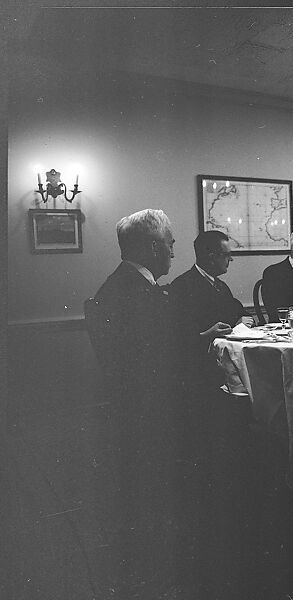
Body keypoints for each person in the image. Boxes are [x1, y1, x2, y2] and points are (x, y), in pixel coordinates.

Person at [86, 209, 188, 599]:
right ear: (152, 246)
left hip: (137, 410)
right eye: (170, 245)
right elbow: (161, 361)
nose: (173, 254)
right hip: (155, 415)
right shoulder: (137, 292)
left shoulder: (122, 285)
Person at [170, 230, 254, 398]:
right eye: (226, 255)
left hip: (224, 364)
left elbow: (237, 311)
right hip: (200, 370)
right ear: (210, 256)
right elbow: (179, 337)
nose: (230, 260)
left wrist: (241, 320)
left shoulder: (220, 286)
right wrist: (209, 334)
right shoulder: (182, 287)